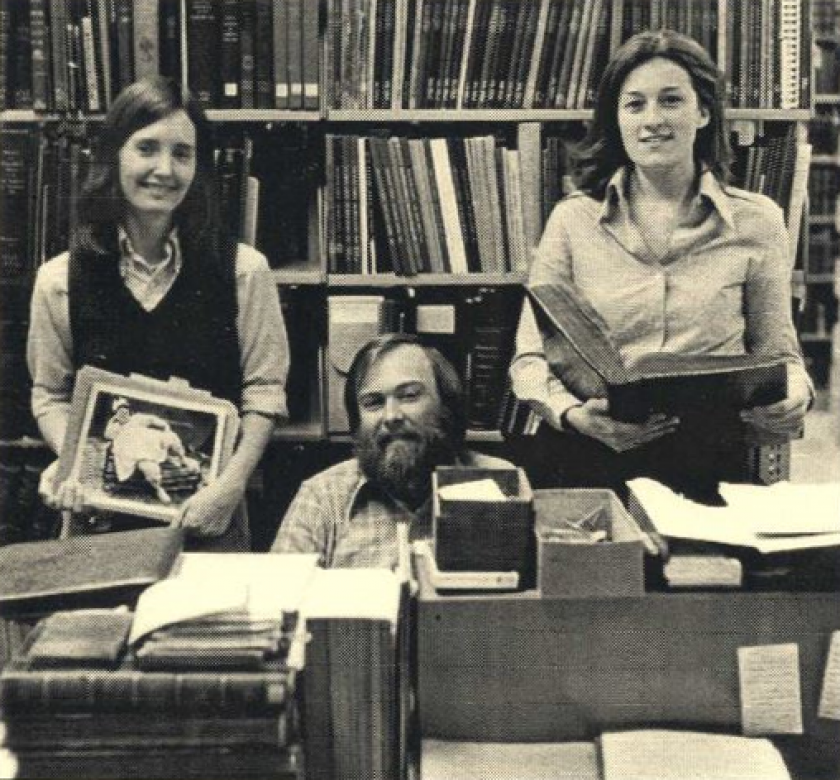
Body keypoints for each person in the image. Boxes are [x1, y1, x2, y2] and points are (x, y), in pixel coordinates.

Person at [510, 29, 812, 501]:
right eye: (635, 105)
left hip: (708, 464)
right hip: (588, 458)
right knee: (596, 575)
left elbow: (781, 354)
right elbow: (530, 358)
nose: (653, 120)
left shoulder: (759, 221)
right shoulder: (572, 220)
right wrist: (572, 415)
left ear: (703, 112)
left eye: (671, 101)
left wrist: (797, 396)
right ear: (617, 118)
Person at [28, 76, 289, 550]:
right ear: (115, 157)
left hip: (210, 520)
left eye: (182, 153)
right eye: (146, 148)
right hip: (97, 524)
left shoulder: (245, 272)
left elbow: (265, 392)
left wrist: (229, 489)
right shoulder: (58, 280)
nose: (164, 169)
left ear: (198, 167)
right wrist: (75, 464)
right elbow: (50, 396)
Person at [271, 333, 512, 568]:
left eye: (409, 395)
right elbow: (276, 603)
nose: (391, 416)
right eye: (373, 403)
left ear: (447, 404)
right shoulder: (322, 498)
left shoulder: (499, 484)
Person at [104, 398, 198, 505]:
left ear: (129, 410)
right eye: (120, 411)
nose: (123, 414)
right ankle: (158, 488)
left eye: (125, 410)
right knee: (149, 467)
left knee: (171, 437)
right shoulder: (115, 425)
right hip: (133, 452)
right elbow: (108, 435)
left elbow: (152, 420)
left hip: (150, 446)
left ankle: (183, 459)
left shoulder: (137, 418)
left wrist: (164, 426)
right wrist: (117, 423)